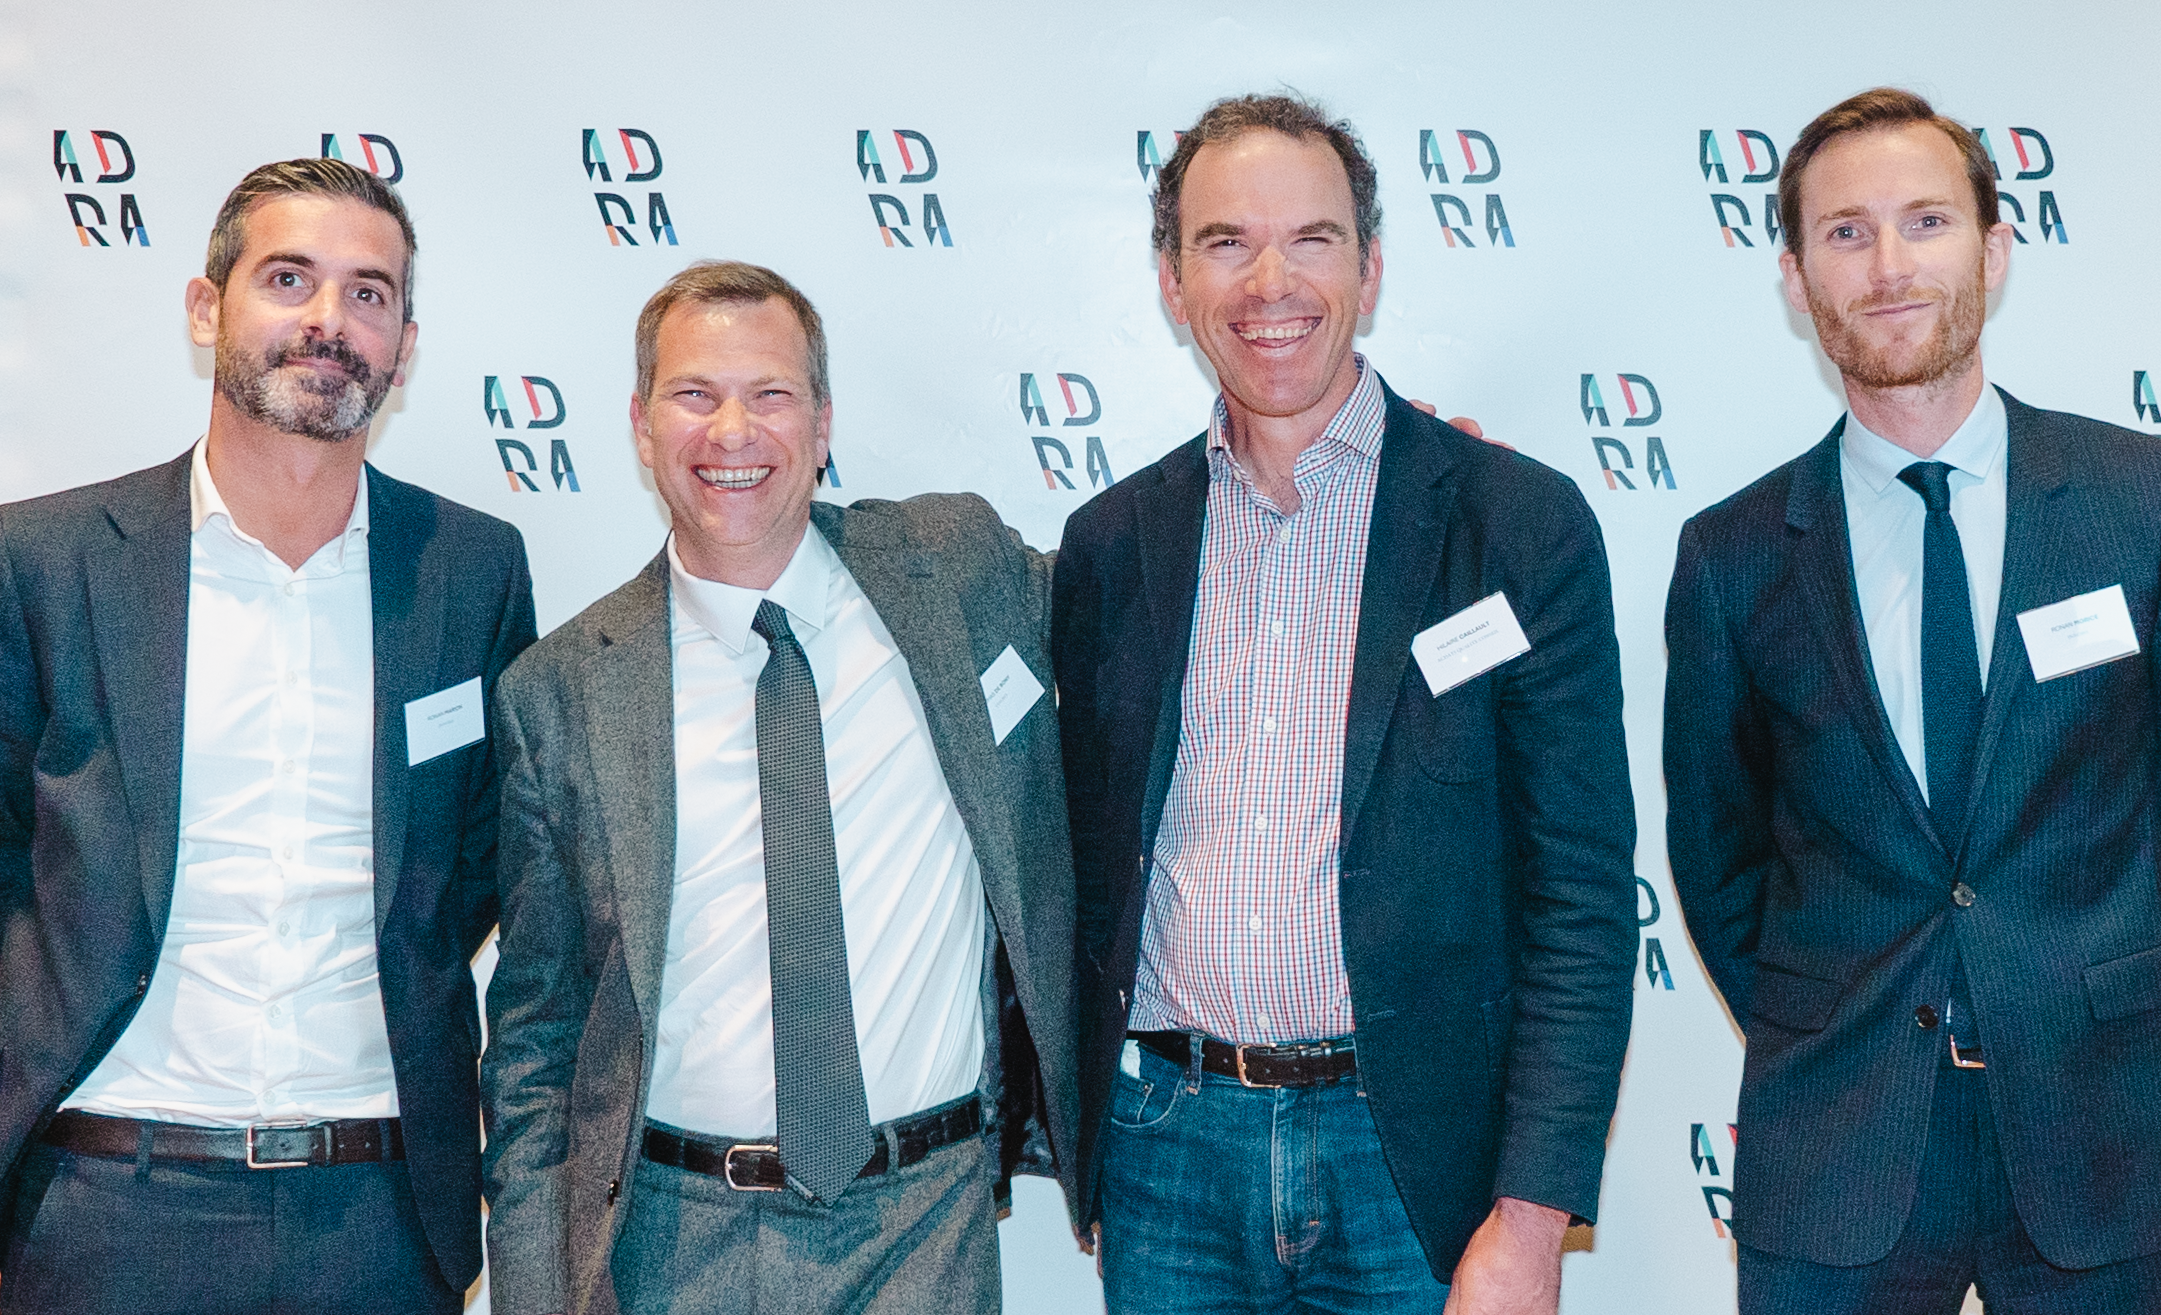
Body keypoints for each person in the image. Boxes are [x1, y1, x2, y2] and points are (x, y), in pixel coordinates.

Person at [1662, 87, 2161, 1315]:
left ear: (1993, 250)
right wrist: (1826, 1026)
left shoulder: (2145, 501)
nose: (1888, 266)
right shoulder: (1731, 555)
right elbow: (1718, 858)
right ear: (1794, 277)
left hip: (2112, 1132)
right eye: (1844, 233)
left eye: (1925, 221)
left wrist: (2111, 1010)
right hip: (1841, 1143)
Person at [1051, 94, 1638, 1313]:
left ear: (1368, 271)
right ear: (1171, 282)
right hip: (1167, 1157)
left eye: (1310, 239)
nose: (1269, 282)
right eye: (1224, 242)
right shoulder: (1109, 543)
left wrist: (1532, 1216)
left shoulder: (1514, 524)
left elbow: (1580, 897)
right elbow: (1082, 867)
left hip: (1413, 1160)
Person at [480, 260, 1078, 1315]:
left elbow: (1147, 598)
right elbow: (537, 1040)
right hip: (672, 1242)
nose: (733, 431)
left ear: (822, 421)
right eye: (694, 394)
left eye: (770, 394)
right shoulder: (561, 691)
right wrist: (533, 1293)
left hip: (927, 1229)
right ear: (639, 424)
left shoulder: (955, 572)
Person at [0, 158, 537, 1314]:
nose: (328, 319)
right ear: (207, 309)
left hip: (379, 1217)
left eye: (368, 293)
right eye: (288, 278)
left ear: (402, 346)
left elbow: (478, 864)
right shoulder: (43, 562)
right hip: (103, 1204)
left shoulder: (471, 573)